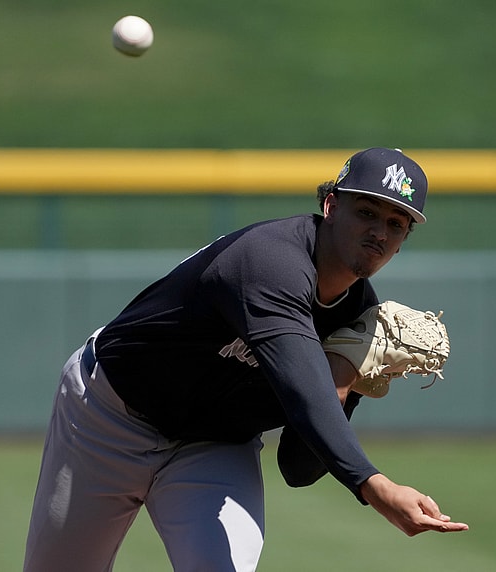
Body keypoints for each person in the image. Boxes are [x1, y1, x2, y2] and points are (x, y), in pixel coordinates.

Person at [23, 147, 468, 572]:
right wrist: (376, 487)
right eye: (367, 212)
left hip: (215, 446)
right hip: (110, 416)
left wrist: (346, 370)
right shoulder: (269, 261)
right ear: (331, 205)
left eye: (396, 223)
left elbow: (298, 467)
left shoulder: (355, 320)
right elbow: (303, 400)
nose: (379, 232)